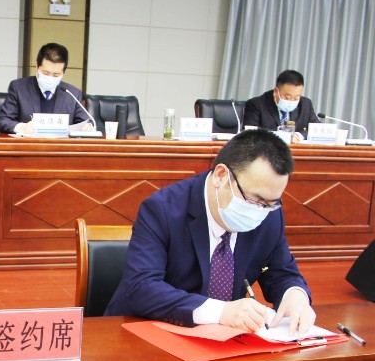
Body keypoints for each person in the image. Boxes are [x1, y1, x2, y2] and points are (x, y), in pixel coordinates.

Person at [106, 129, 316, 335]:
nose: (260, 210)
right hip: (148, 330)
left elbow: (283, 274)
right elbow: (141, 288)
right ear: (221, 176)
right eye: (255, 199)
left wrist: (295, 295)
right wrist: (220, 311)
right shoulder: (163, 209)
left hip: (224, 339)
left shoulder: (269, 216)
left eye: (271, 203)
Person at [0, 43, 92, 135]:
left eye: (56, 75)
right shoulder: (18, 87)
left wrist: (88, 128)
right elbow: (3, 120)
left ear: (63, 73)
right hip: (29, 145)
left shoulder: (73, 94)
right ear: (37, 66)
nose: (50, 78)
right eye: (46, 73)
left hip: (60, 146)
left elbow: (87, 123)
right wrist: (22, 128)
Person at [243, 69, 320, 140]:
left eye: (296, 97)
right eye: (287, 97)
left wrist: (298, 135)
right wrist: (285, 136)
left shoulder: (305, 104)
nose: (291, 101)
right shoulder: (256, 104)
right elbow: (250, 131)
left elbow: (317, 130)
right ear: (276, 91)